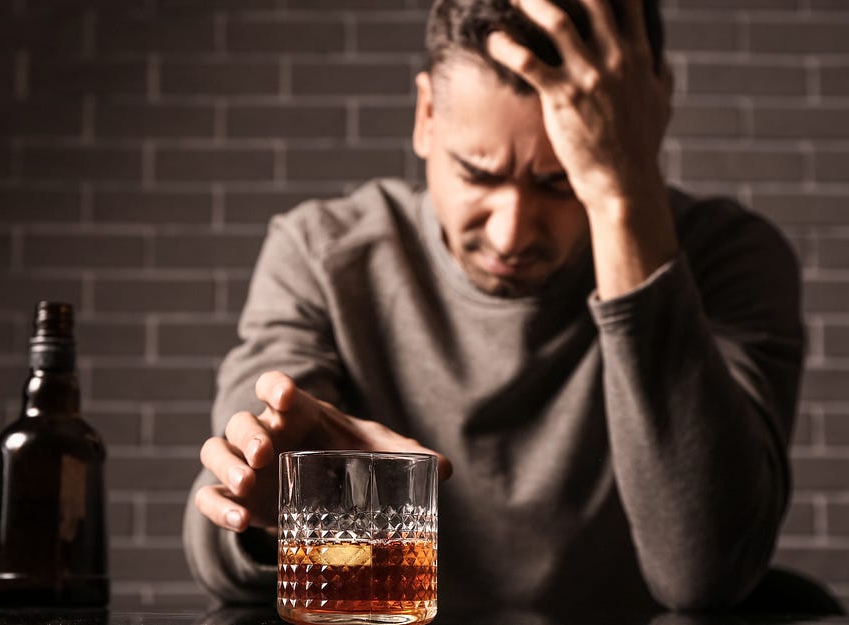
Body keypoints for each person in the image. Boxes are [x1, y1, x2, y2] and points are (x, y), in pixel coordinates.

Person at [183, 0, 805, 614]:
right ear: (426, 115)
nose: (511, 235)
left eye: (562, 181)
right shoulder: (322, 254)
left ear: (644, 127)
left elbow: (705, 571)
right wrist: (276, 507)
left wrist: (623, 199)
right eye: (477, 174)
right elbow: (217, 539)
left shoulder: (728, 259)